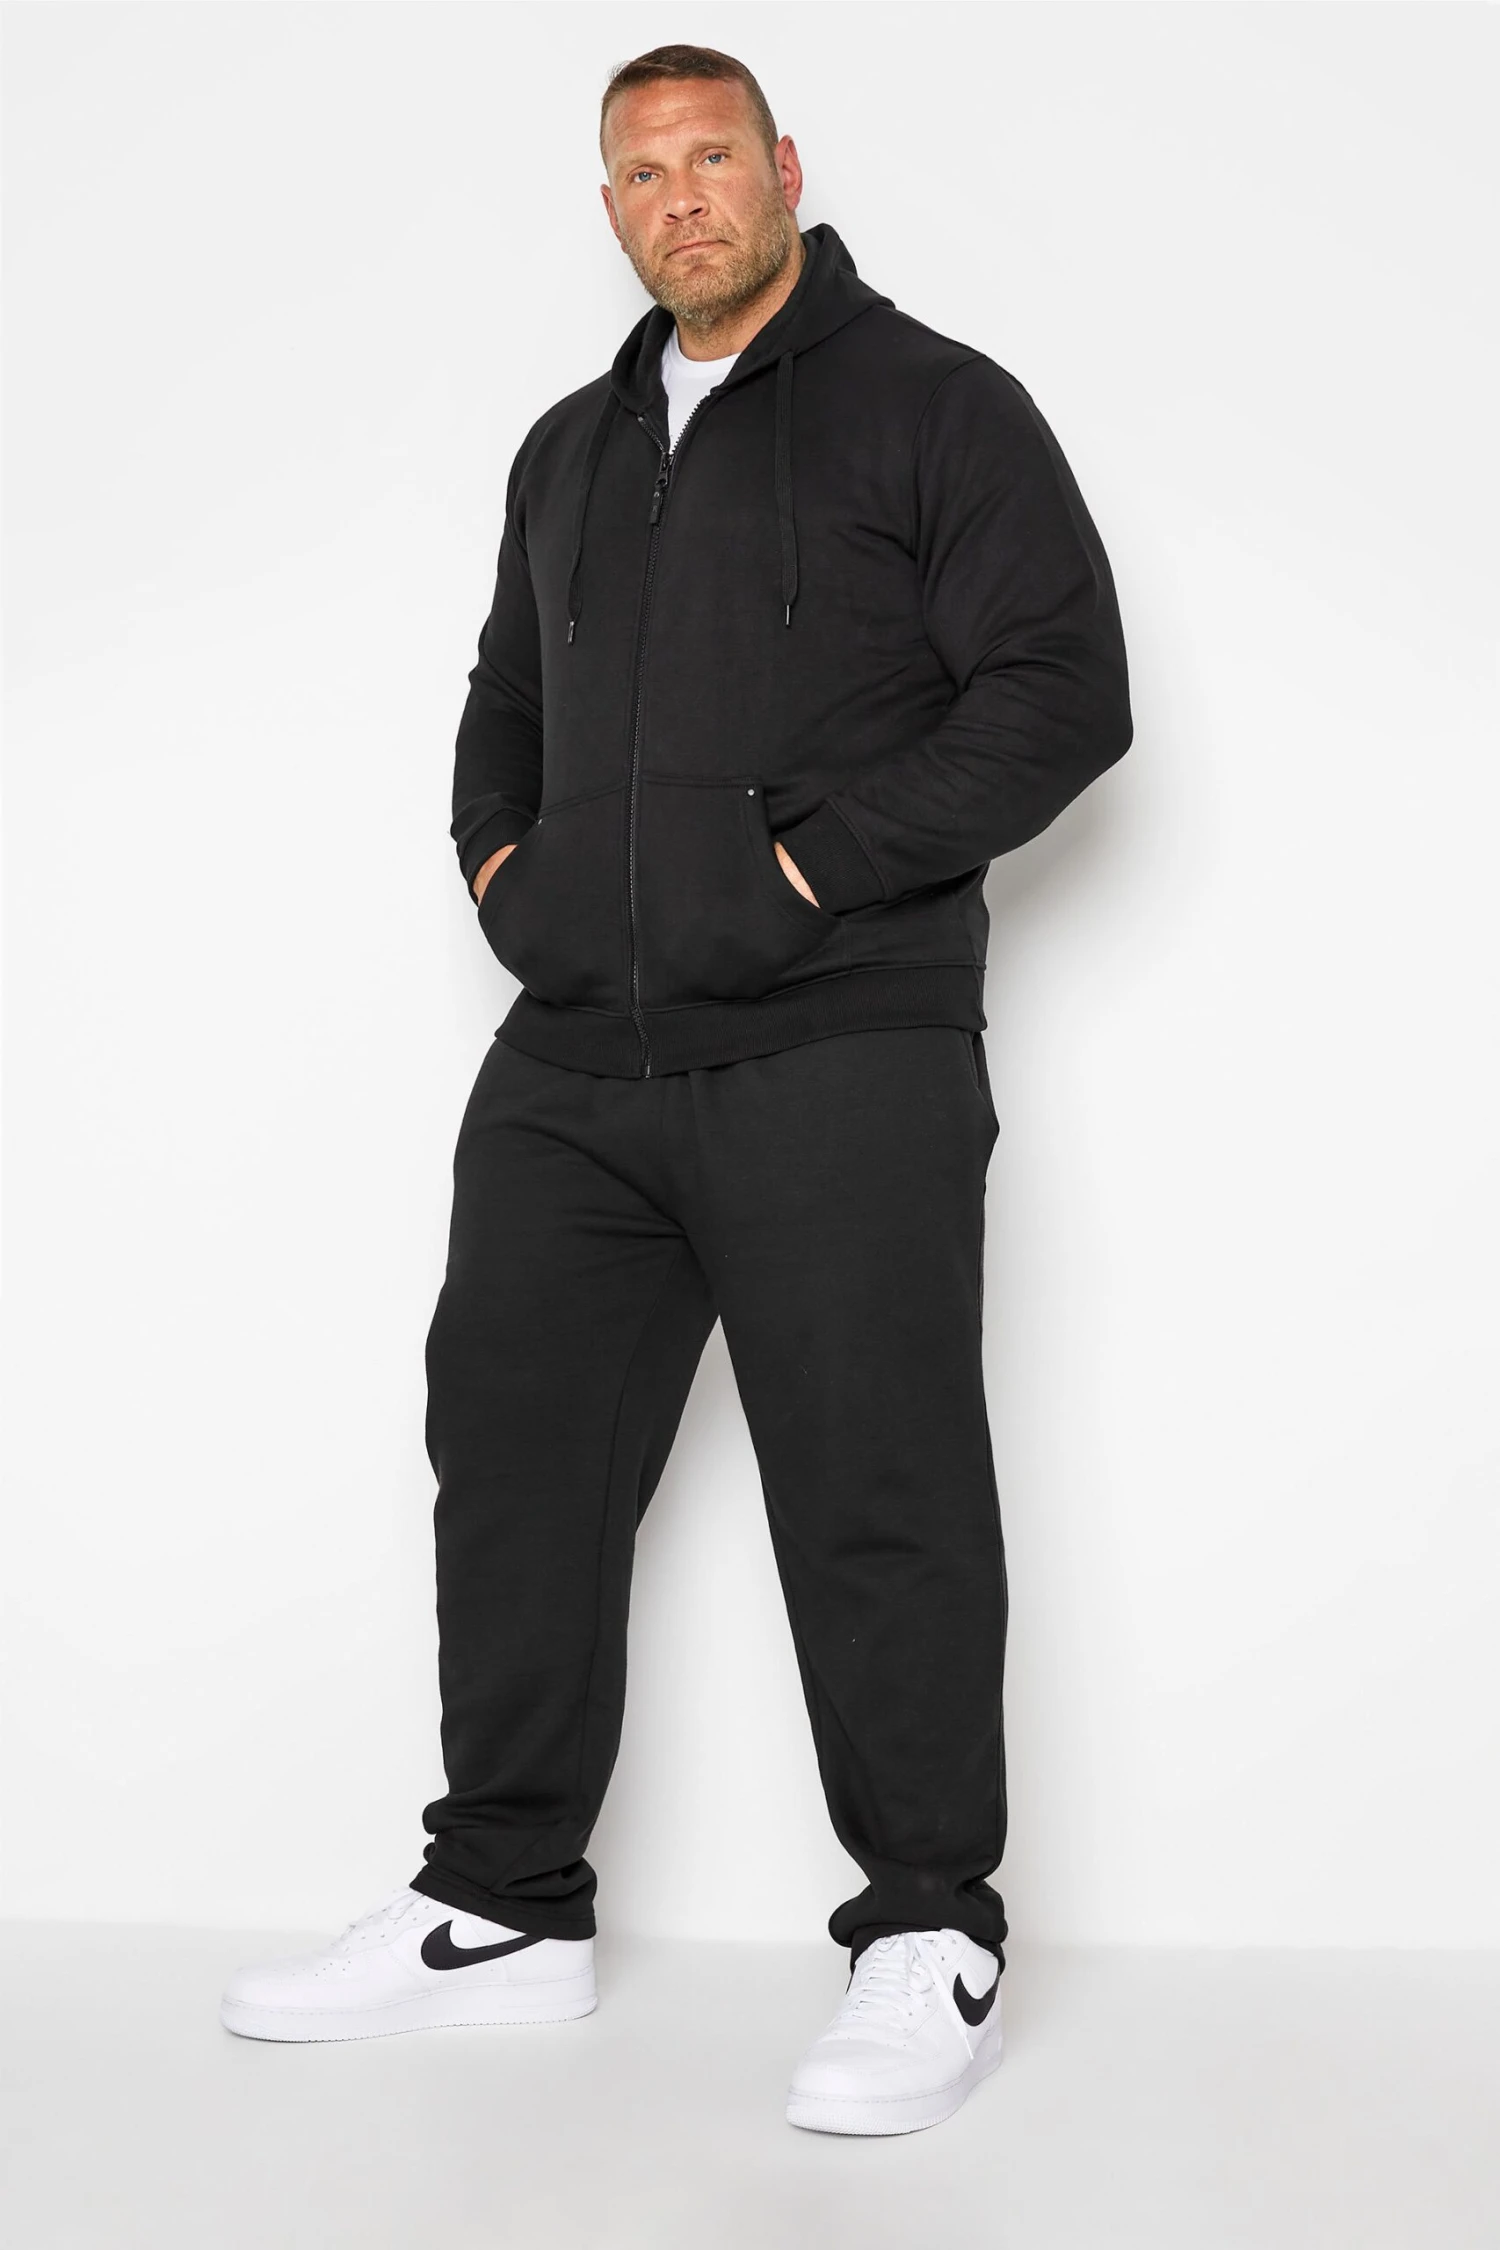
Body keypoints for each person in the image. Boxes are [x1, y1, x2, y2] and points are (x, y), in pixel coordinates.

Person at [220, 41, 1132, 2137]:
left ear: (784, 167)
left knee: (875, 1477)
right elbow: (502, 703)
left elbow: (1064, 694)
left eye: (713, 156)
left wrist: (803, 872)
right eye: (642, 174)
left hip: (842, 1040)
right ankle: (503, 1903)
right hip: (577, 1056)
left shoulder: (938, 406)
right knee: (512, 1453)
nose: (682, 197)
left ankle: (932, 1927)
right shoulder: (571, 445)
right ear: (612, 209)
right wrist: (505, 874)